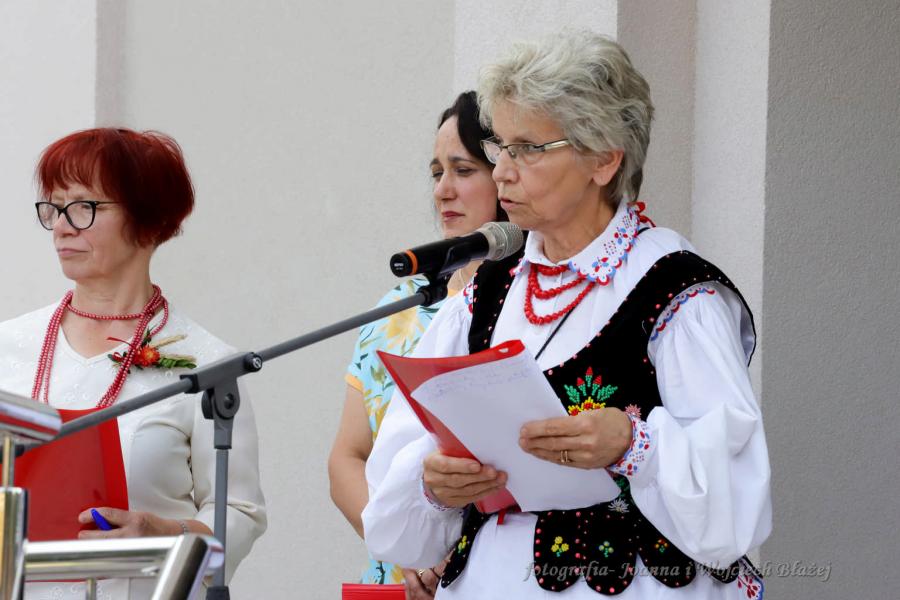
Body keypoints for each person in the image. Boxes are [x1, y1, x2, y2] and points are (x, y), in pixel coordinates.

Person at [362, 31, 772, 599]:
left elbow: (733, 506)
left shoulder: (674, 291)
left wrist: (634, 445)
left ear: (603, 159)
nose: (501, 172)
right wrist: (435, 484)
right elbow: (395, 517)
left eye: (527, 148)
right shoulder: (485, 294)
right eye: (500, 147)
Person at [0, 128, 267, 599]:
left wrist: (164, 533)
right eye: (54, 208)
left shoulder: (208, 364)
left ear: (148, 218)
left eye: (83, 207)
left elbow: (239, 513)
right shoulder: (9, 345)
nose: (62, 226)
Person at [329, 91, 505, 598]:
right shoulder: (399, 308)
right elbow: (346, 458)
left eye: (463, 170)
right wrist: (408, 548)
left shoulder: (527, 303)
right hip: (399, 581)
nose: (443, 190)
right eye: (436, 173)